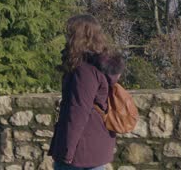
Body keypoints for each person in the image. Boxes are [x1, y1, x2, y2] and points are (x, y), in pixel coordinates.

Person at [48, 14, 125, 170]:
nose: (66, 38)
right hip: (96, 144)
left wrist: (67, 153)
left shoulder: (85, 70)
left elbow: (78, 112)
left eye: (69, 34)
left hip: (81, 151)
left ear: (77, 36)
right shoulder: (99, 65)